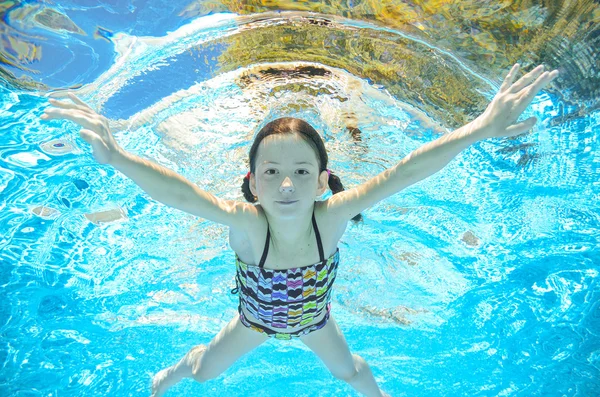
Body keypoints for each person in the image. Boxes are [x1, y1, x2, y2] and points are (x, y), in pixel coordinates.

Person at [41, 63, 559, 397]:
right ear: (252, 183)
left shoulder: (330, 216)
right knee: (204, 374)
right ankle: (175, 373)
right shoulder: (247, 223)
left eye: (301, 173)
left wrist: (481, 128)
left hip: (316, 321)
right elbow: (181, 194)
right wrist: (119, 157)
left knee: (352, 374)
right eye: (271, 172)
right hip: (254, 321)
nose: (286, 184)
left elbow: (404, 171)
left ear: (320, 183)